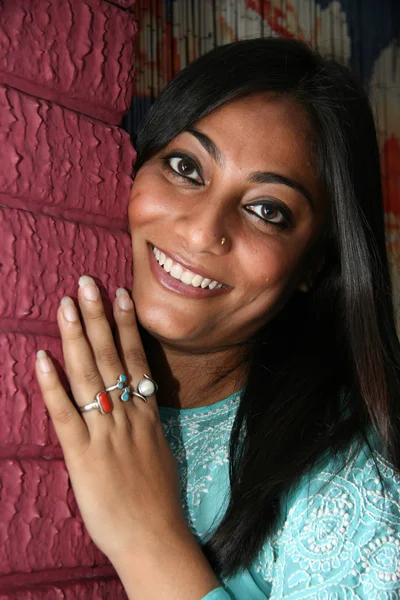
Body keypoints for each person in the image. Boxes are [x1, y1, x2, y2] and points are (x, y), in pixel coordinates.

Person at [35, 37, 400, 599]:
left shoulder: (348, 484)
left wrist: (148, 539)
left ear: (313, 264)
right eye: (185, 167)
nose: (204, 231)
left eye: (266, 211)